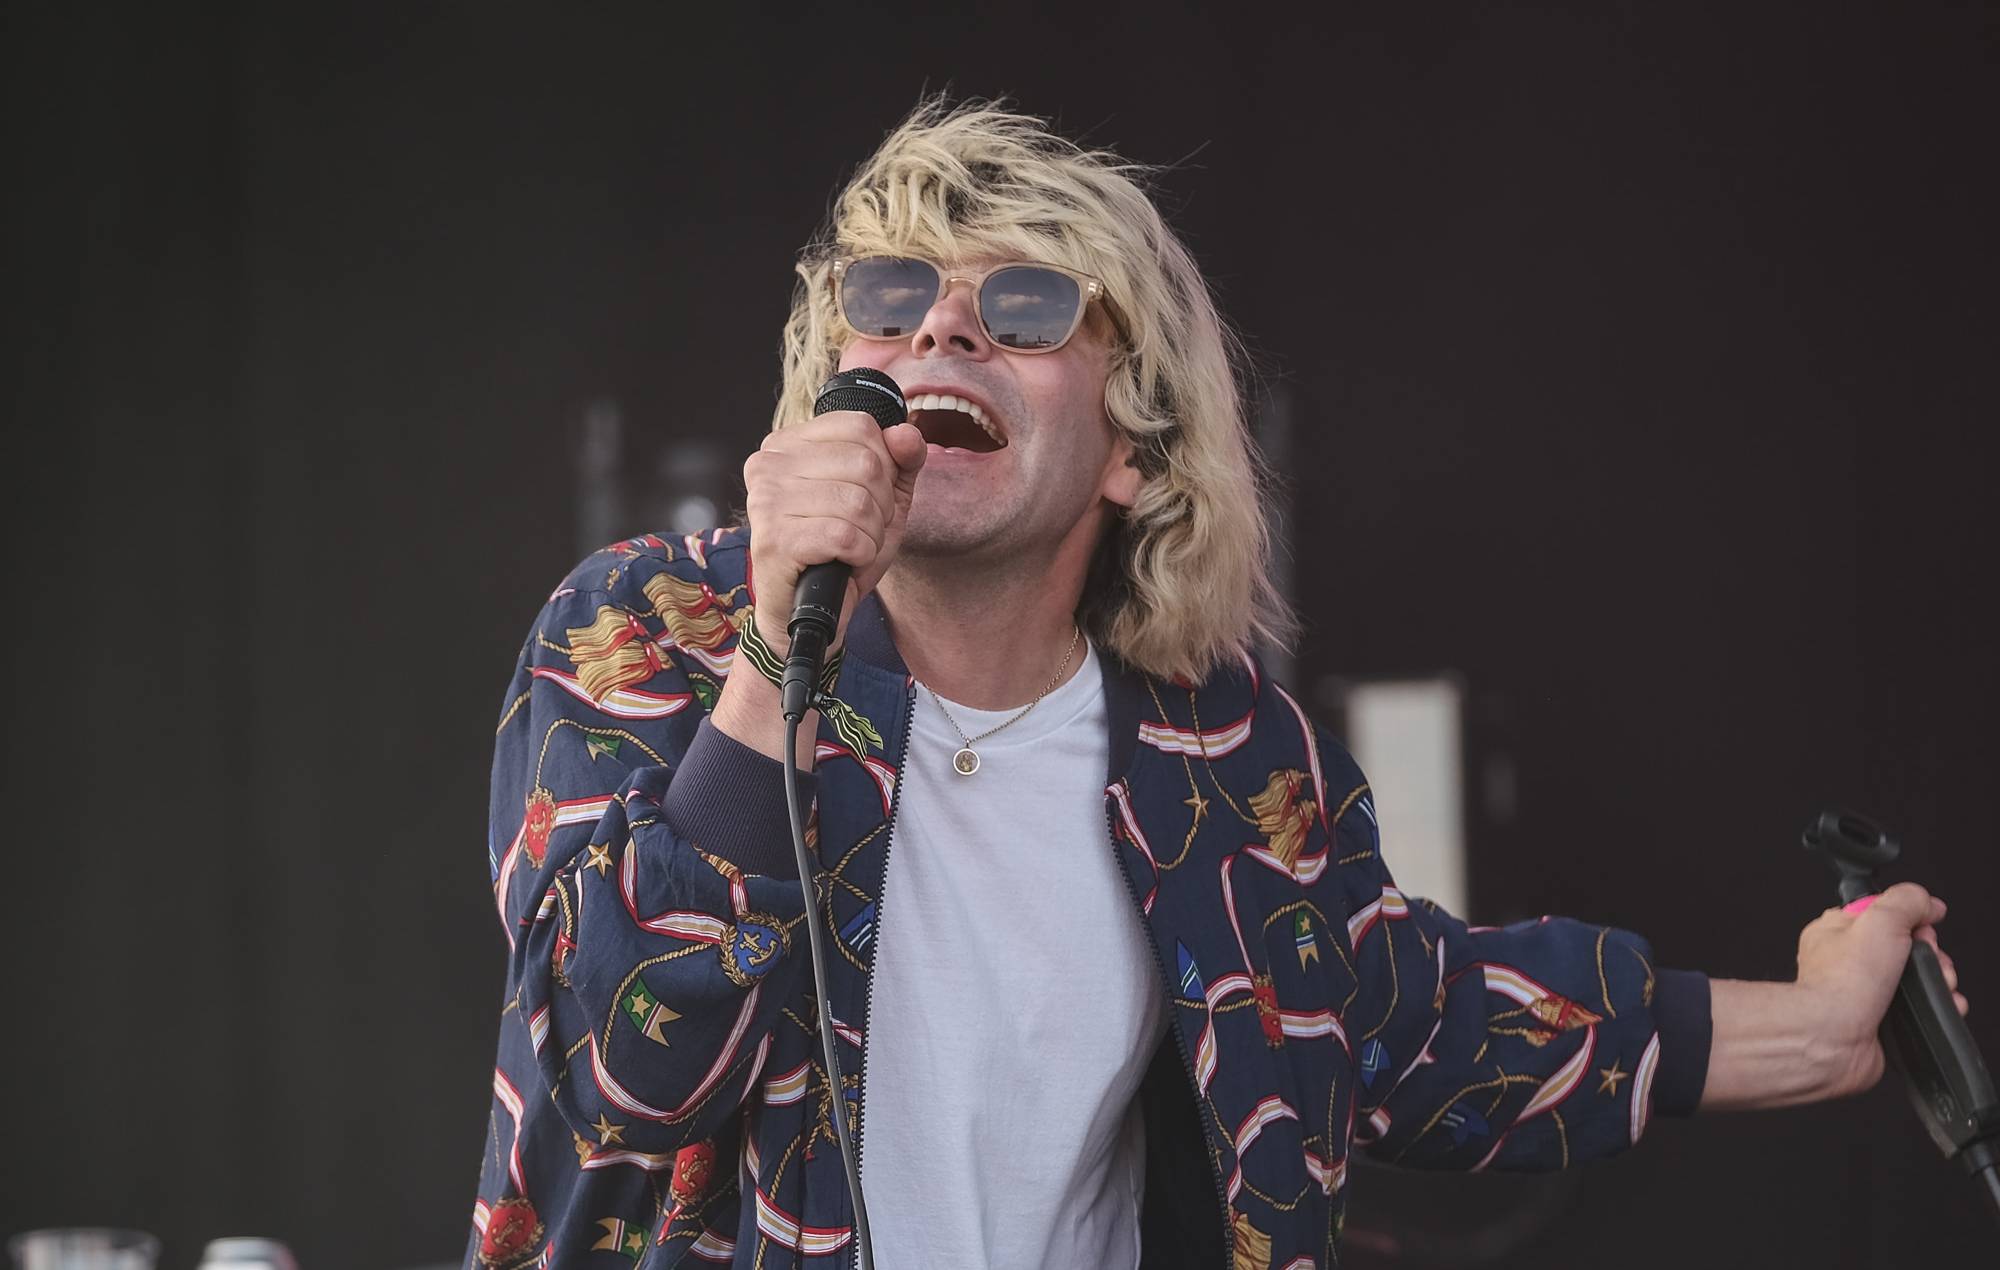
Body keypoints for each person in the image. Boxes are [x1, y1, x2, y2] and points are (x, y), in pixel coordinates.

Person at [465, 99, 1969, 1270]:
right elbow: (618, 1077)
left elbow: (1413, 1021)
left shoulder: (1217, 755)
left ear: (1133, 447)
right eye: (895, 293)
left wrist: (1822, 1024)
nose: (944, 326)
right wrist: (778, 644)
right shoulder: (646, 639)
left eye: (1032, 307)